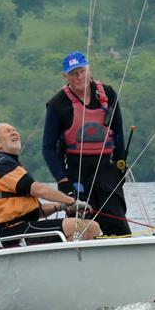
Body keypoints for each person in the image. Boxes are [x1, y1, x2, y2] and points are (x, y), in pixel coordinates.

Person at [42, 51, 131, 236]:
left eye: (82, 71)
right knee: (83, 224)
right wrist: (63, 180)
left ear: (89, 70)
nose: (79, 77)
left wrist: (120, 165)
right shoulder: (57, 104)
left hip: (106, 167)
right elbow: (48, 148)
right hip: (76, 171)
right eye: (73, 73)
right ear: (65, 76)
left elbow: (118, 132)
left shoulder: (107, 94)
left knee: (117, 222)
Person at [0, 122, 101, 242]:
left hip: (26, 227)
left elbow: (35, 212)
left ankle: (71, 259)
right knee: (80, 226)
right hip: (15, 231)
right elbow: (38, 189)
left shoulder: (11, 164)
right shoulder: (2, 164)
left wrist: (61, 206)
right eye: (7, 131)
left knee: (93, 227)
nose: (14, 132)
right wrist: (72, 201)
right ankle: (66, 259)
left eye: (14, 129)